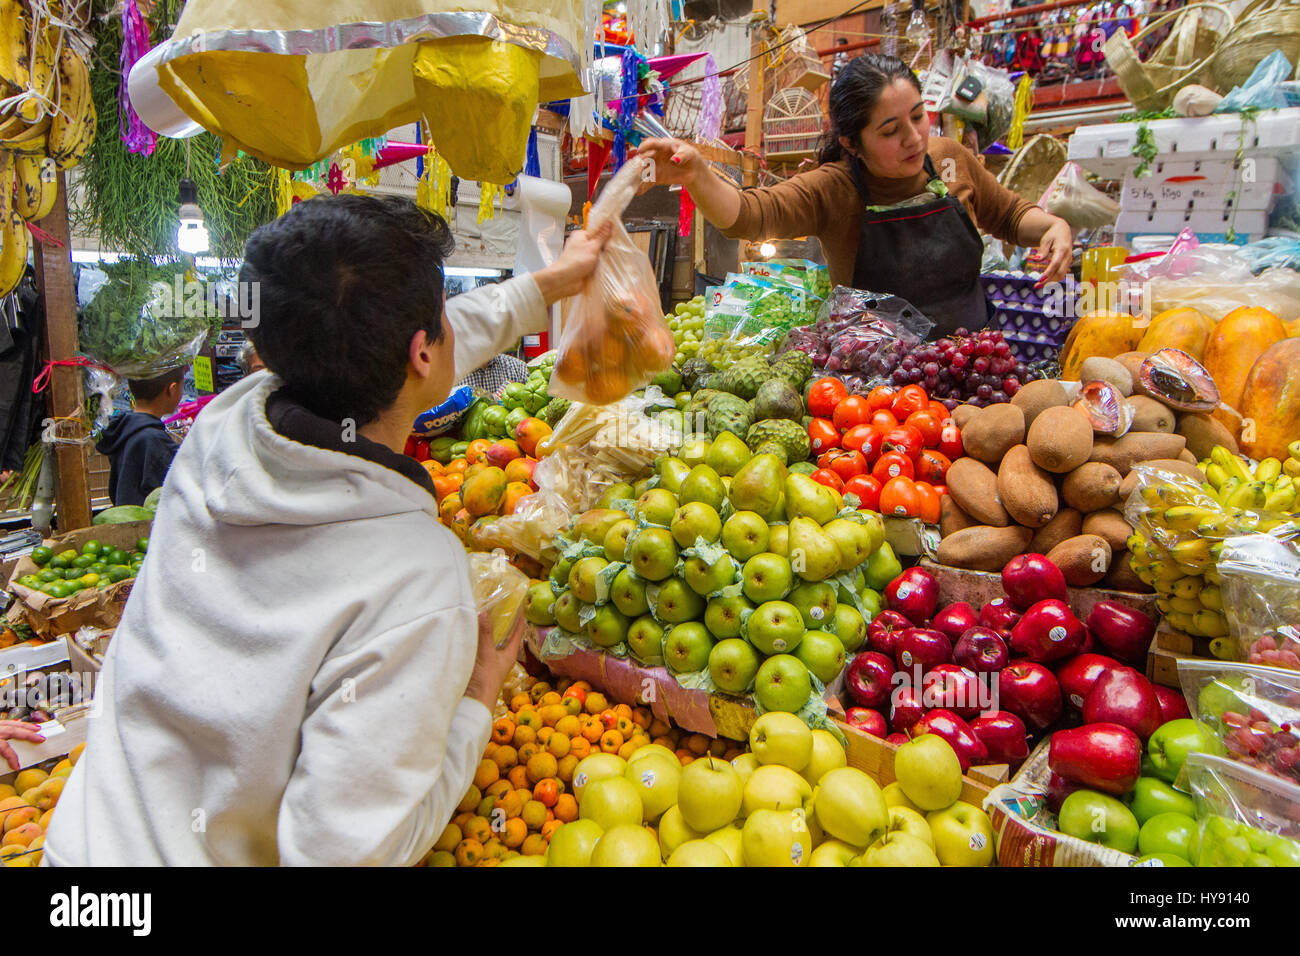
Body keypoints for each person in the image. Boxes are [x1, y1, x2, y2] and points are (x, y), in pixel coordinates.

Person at [44, 196, 611, 866]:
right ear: (421, 351)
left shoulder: (221, 429)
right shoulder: (413, 574)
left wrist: (549, 286)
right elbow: (344, 854)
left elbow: (406, 339)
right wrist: (474, 708)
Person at [637, 53, 1073, 339]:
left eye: (918, 117)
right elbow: (750, 214)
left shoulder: (949, 158)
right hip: (884, 391)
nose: (914, 138)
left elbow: (1010, 215)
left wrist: (1052, 225)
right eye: (890, 130)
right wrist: (697, 175)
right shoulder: (834, 188)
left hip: (974, 362)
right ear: (850, 141)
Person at [94, 367, 185, 507]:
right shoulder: (155, 440)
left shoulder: (123, 427)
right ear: (172, 389)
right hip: (146, 525)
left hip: (125, 517)